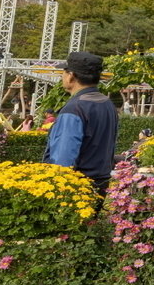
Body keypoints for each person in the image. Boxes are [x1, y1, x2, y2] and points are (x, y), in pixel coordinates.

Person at [43, 52, 119, 198]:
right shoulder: (107, 104)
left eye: (63, 73)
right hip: (101, 183)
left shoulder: (75, 108)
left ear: (71, 75)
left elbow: (63, 160)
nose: (62, 77)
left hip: (76, 188)